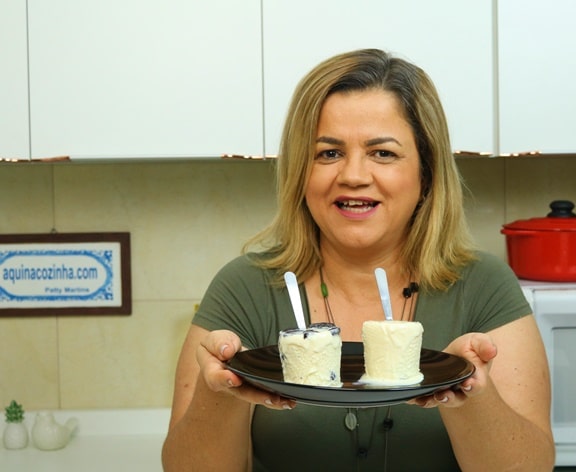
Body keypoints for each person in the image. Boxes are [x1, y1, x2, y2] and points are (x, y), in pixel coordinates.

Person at [161, 48, 555, 471]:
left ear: (426, 173)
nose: (352, 175)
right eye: (328, 153)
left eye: (382, 153)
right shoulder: (244, 287)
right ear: (301, 172)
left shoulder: (483, 286)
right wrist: (219, 391)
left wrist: (471, 392)